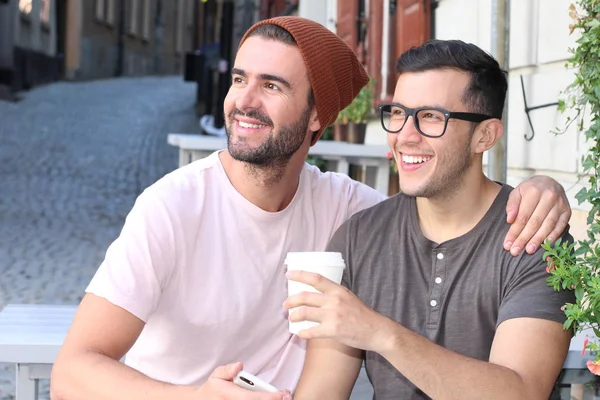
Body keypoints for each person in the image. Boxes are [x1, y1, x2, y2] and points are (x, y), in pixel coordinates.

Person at [51, 18, 571, 400]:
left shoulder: (347, 212)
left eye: (271, 86)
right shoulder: (173, 207)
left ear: (317, 112)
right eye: (238, 79)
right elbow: (71, 373)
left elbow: (442, 211)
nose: (243, 101)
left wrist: (541, 189)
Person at [287, 39, 575, 400]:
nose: (405, 136)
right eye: (397, 113)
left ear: (484, 136)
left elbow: (521, 392)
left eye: (431, 117)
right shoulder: (359, 237)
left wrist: (381, 334)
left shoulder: (534, 237)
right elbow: (321, 393)